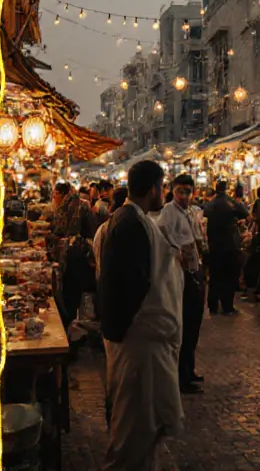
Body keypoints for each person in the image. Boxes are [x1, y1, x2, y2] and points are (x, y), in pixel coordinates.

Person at [98, 160, 183, 469]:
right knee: (133, 427)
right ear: (153, 189)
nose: (165, 193)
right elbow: (130, 286)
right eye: (163, 187)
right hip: (137, 341)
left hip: (139, 338)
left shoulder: (132, 219)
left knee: (143, 425)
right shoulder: (130, 224)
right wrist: (132, 330)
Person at [157, 174, 204, 394]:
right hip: (181, 277)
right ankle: (182, 376)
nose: (184, 195)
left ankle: (189, 369)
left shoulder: (189, 212)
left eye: (187, 191)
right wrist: (179, 255)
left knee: (194, 325)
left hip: (194, 273)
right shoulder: (168, 212)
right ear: (172, 191)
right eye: (180, 191)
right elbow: (165, 240)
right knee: (185, 325)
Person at [203, 179, 249, 315]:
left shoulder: (210, 204)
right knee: (229, 277)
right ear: (227, 189)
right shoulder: (231, 202)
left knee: (215, 276)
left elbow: (205, 215)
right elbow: (245, 212)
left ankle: (213, 305)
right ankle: (227, 306)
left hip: (214, 246)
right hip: (229, 245)